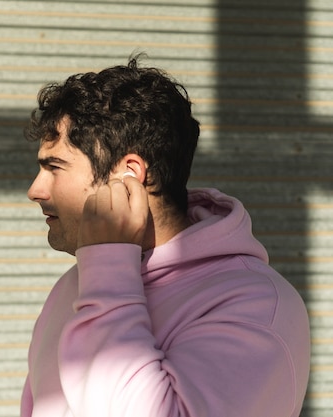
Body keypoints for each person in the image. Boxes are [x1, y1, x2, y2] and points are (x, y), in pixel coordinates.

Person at [21, 55, 311, 417]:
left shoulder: (257, 304)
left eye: (54, 168)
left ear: (128, 174)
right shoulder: (76, 284)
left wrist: (109, 270)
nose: (35, 190)